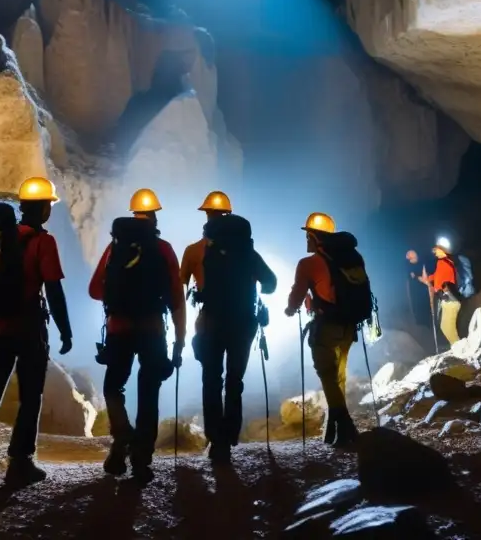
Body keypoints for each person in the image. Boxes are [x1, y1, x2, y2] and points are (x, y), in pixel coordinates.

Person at [0, 177, 73, 486]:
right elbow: (53, 288)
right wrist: (65, 330)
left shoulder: (2, 238)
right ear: (42, 209)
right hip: (29, 328)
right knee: (31, 396)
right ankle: (20, 462)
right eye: (48, 206)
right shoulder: (43, 242)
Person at [90, 188, 185, 484]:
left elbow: (94, 289)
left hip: (119, 329)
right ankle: (142, 460)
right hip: (152, 330)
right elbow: (176, 299)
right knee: (149, 393)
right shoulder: (164, 248)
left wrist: (118, 298)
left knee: (113, 388)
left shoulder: (114, 247)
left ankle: (122, 435)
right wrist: (179, 343)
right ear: (155, 217)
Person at [182, 191, 276, 465]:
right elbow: (271, 283)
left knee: (211, 379)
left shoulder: (195, 251)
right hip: (244, 324)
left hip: (210, 322)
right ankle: (230, 435)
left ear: (207, 217)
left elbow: (179, 287)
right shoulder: (249, 252)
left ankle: (215, 439)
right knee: (234, 380)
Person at [284, 212, 361, 448]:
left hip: (326, 327)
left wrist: (289, 309)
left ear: (316, 238)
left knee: (327, 376)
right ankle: (333, 429)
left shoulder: (308, 264)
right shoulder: (352, 258)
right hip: (348, 326)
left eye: (308, 235)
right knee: (339, 376)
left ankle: (346, 426)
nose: (306, 240)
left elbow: (296, 297)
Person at [423, 237, 461, 345]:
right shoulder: (444, 263)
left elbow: (443, 280)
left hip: (450, 299)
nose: (435, 252)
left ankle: (459, 347)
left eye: (437, 250)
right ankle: (457, 346)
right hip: (447, 298)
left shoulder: (444, 263)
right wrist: (430, 278)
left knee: (448, 328)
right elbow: (438, 276)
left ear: (443, 250)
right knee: (445, 327)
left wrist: (438, 289)